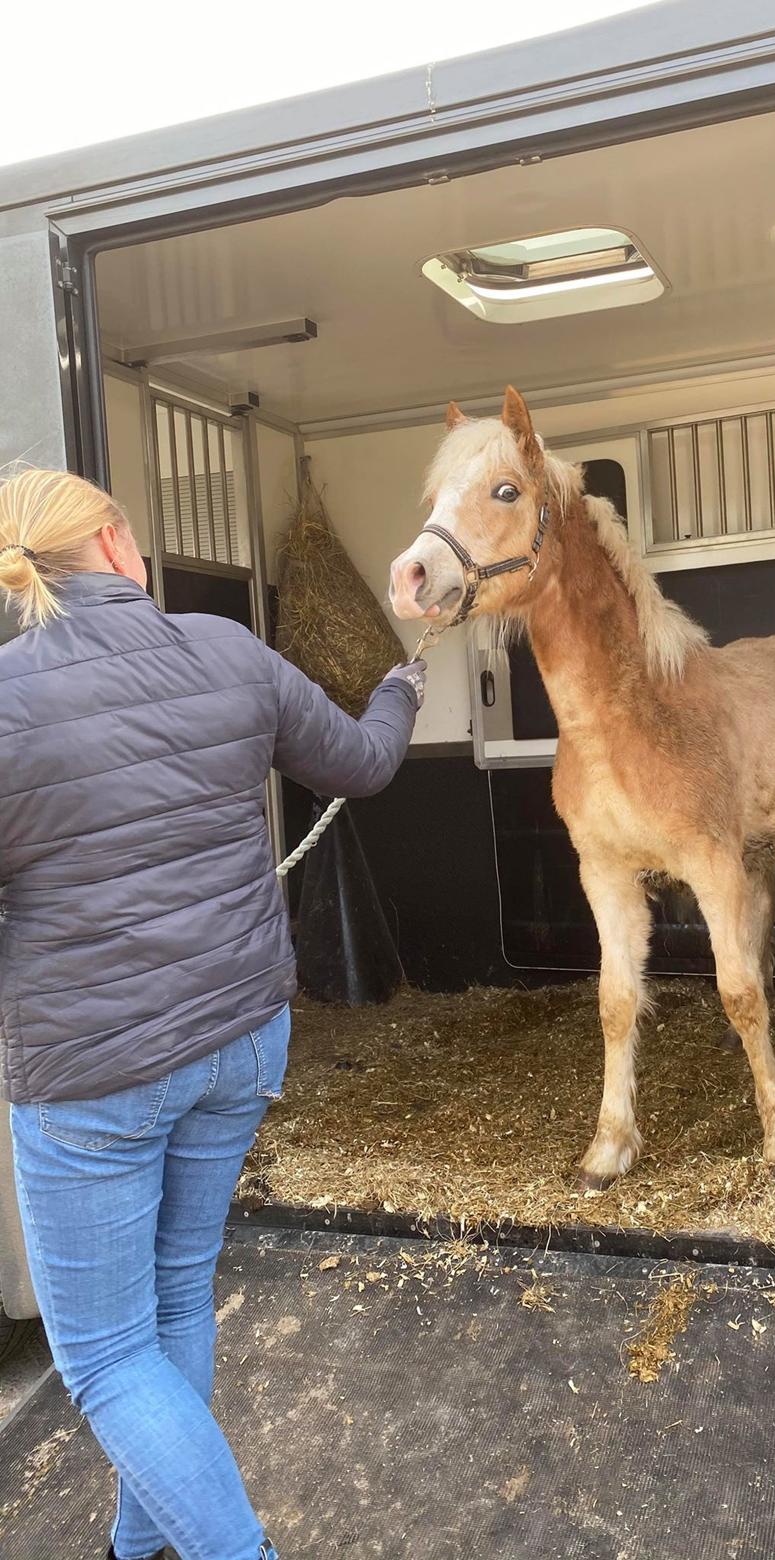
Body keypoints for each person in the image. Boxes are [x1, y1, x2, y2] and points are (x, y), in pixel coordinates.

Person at [0, 467, 424, 1560]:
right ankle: (137, 1545)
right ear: (115, 545)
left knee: (105, 1356)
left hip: (93, 1077)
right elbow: (366, 763)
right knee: (177, 1295)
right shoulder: (226, 652)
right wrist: (401, 684)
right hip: (239, 1039)